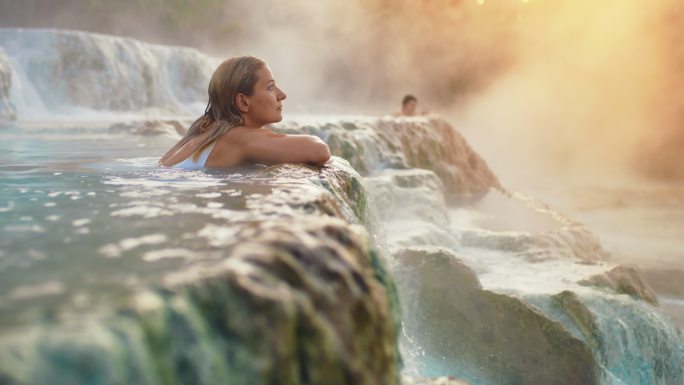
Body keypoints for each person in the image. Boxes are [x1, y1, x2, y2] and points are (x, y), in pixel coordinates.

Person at [159, 56, 330, 169]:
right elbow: (319, 151)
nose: (282, 95)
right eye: (270, 87)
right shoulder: (240, 137)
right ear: (243, 101)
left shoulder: (204, 127)